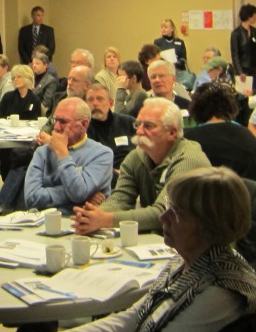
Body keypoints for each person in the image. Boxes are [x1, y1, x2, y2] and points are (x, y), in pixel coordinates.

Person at [12, 166, 256, 332]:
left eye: (177, 213)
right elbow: (133, 317)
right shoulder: (189, 260)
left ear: (210, 225)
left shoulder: (221, 292)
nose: (163, 217)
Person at [72, 98, 211, 234]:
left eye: (148, 126)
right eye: (137, 125)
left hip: (201, 248)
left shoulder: (188, 160)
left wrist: (107, 219)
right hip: (164, 241)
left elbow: (164, 213)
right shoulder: (136, 157)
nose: (139, 131)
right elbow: (120, 198)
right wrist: (93, 215)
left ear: (172, 133)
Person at [24, 98, 113, 215]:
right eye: (55, 120)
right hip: (43, 222)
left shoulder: (102, 154)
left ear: (84, 124)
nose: (56, 127)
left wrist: (63, 154)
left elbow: (78, 193)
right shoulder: (42, 152)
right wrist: (83, 197)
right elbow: (31, 199)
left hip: (81, 224)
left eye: (63, 122)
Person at [184, 82, 256, 184]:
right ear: (231, 107)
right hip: (243, 198)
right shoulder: (248, 138)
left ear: (195, 109)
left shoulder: (187, 141)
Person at [85, 81, 136, 171]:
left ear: (111, 103)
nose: (95, 103)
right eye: (90, 99)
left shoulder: (128, 122)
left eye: (100, 99)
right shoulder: (84, 128)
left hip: (132, 171)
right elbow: (88, 162)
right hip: (103, 175)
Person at [230, 3, 256, 89]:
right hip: (244, 67)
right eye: (254, 15)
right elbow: (235, 54)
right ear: (249, 16)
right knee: (245, 91)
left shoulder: (254, 31)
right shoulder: (236, 33)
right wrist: (240, 71)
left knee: (255, 89)